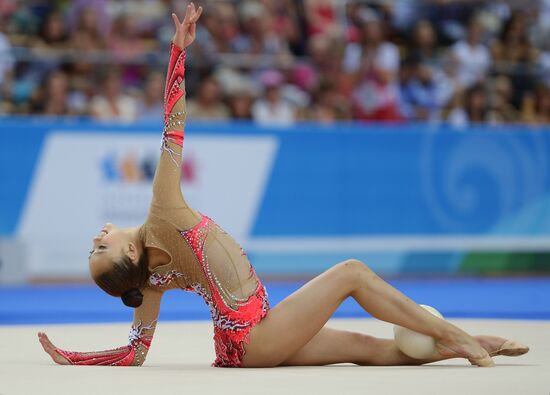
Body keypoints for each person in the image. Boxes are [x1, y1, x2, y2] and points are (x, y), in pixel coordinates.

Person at [38, 3, 528, 369]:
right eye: (100, 248)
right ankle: (461, 338)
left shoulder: (148, 282)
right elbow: (173, 126)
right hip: (254, 338)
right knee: (352, 273)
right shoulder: (162, 214)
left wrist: (72, 358)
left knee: (371, 350)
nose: (97, 237)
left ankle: (474, 344)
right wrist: (177, 54)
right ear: (128, 253)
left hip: (248, 340)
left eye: (93, 246)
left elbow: (133, 355)